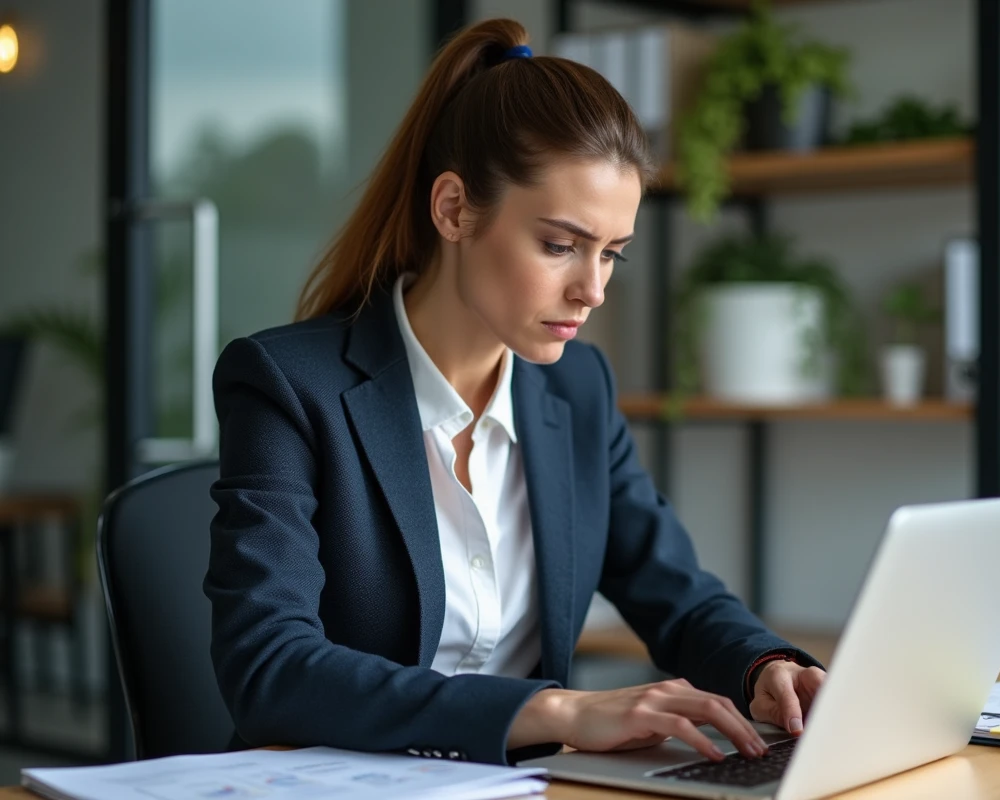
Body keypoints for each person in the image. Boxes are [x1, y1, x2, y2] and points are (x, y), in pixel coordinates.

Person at [204, 18, 826, 767]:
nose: (591, 290)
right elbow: (268, 669)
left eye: (612, 254)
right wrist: (553, 709)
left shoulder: (578, 390)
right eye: (560, 245)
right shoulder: (288, 386)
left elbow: (678, 591)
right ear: (454, 209)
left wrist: (766, 668)